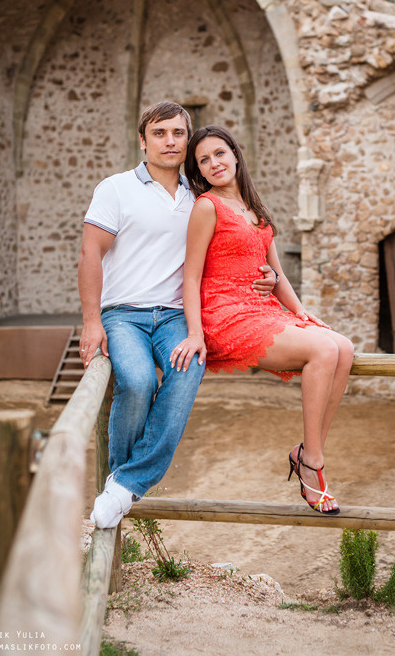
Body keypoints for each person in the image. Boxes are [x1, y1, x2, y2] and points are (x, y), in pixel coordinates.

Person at [79, 103, 276, 528]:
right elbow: (90, 252)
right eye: (159, 132)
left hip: (175, 316)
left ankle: (122, 487)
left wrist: (270, 274)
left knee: (190, 367)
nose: (170, 141)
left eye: (177, 133)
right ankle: (124, 481)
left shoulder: (200, 197)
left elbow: (242, 242)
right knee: (137, 380)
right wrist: (92, 321)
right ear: (143, 139)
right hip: (123, 313)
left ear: (187, 140)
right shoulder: (115, 188)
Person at [170, 125, 354, 514]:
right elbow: (190, 275)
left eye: (219, 153)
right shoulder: (207, 207)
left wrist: (302, 313)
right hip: (225, 314)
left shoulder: (255, 209)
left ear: (235, 154)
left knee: (343, 346)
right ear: (199, 172)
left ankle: (307, 451)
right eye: (203, 160)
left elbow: (277, 273)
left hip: (263, 310)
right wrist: (194, 332)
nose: (213, 163)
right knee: (323, 349)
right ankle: (313, 465)